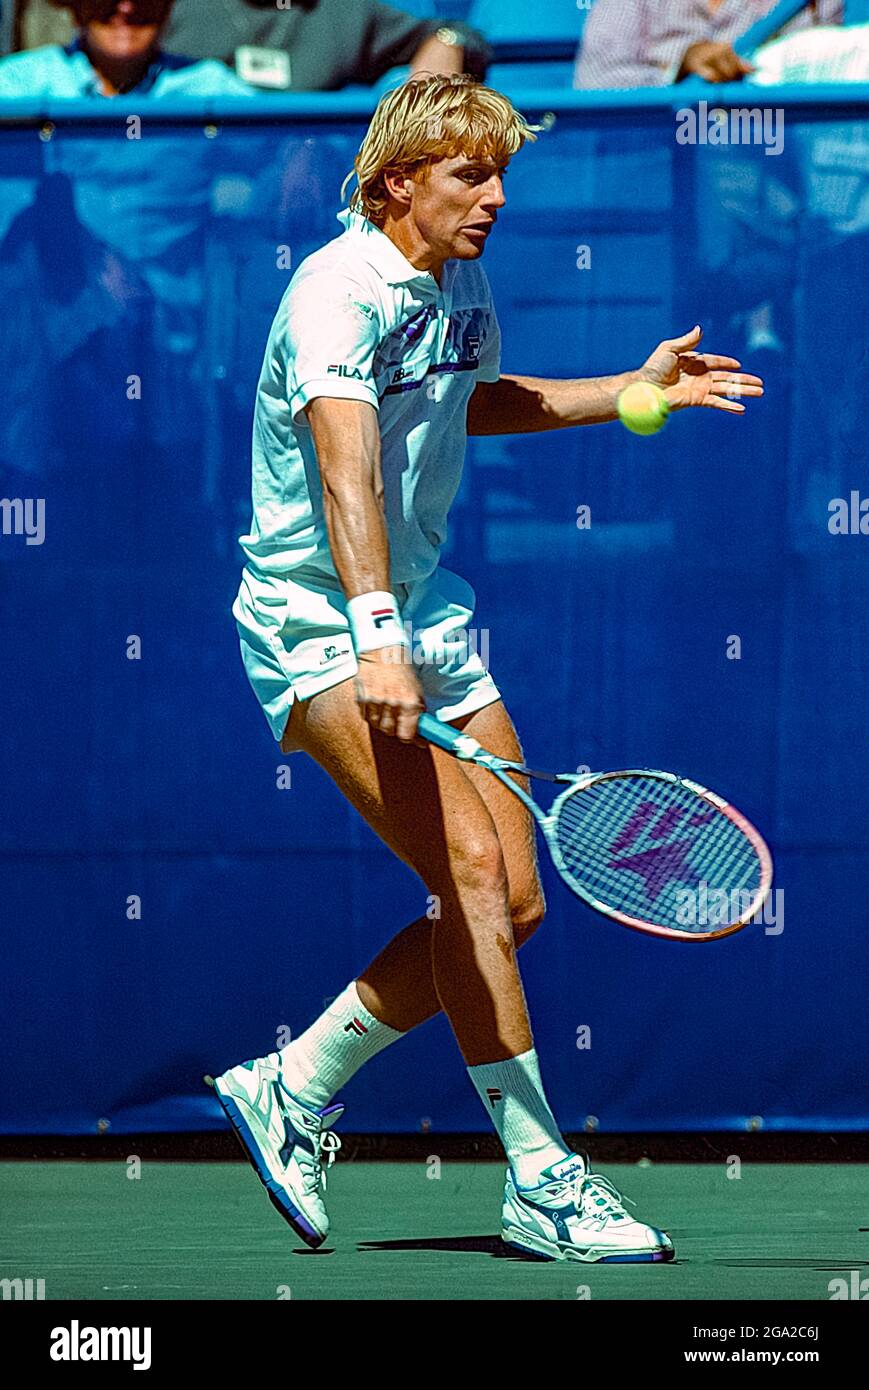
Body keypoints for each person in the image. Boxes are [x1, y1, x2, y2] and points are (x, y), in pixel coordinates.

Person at [217, 73, 763, 1263]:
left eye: (502, 173)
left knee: (508, 898)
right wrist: (372, 635)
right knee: (466, 868)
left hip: (428, 611)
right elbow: (345, 470)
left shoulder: (454, 279)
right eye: (470, 174)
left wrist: (626, 391)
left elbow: (467, 402)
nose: (495, 197)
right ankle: (542, 1178)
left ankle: (292, 1081)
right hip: (321, 622)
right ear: (394, 183)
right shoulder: (331, 296)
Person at [159, 0, 490, 91]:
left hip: (309, 194)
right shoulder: (171, 10)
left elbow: (458, 35)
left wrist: (445, 46)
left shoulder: (343, 11)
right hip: (190, 199)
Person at [575, 0, 843, 90]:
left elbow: (820, 80)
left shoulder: (816, 5)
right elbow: (593, 83)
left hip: (770, 166)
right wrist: (678, 73)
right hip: (658, 168)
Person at [0, 0, 254, 94]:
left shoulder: (208, 86)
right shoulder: (16, 86)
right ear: (77, 6)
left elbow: (282, 156)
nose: (127, 8)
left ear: (168, 7)